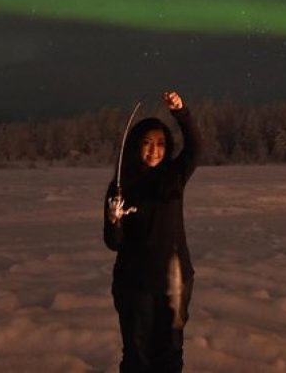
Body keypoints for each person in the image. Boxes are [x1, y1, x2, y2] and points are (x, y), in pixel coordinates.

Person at [104, 90, 202, 373]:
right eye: (147, 143)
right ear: (136, 146)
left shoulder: (174, 176)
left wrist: (181, 112)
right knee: (137, 355)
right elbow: (113, 243)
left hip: (174, 280)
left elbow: (196, 148)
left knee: (170, 352)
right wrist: (114, 220)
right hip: (134, 283)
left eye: (160, 143)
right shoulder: (121, 185)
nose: (153, 150)